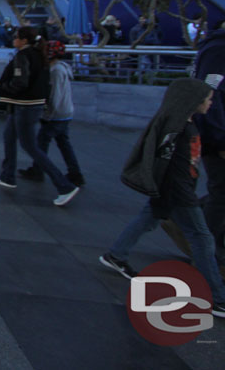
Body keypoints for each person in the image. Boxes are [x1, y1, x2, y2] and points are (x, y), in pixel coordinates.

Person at [99, 79, 225, 318]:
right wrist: (183, 194)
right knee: (202, 238)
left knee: (148, 219)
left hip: (173, 191)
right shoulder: (179, 130)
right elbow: (172, 168)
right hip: (178, 194)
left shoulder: (184, 127)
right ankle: (217, 297)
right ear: (192, 102)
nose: (211, 104)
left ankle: (116, 255)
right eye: (208, 99)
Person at [0, 26, 80, 206]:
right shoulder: (40, 55)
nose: (13, 39)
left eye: (16, 37)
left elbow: (20, 82)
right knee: (9, 137)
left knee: (30, 146)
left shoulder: (24, 56)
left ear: (23, 40)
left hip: (25, 105)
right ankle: (7, 175)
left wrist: (2, 89)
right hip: (27, 105)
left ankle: (64, 185)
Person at [19, 41, 84, 185]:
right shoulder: (62, 68)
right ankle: (75, 173)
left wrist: (47, 115)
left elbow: (54, 95)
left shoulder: (55, 71)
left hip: (56, 114)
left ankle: (38, 170)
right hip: (65, 112)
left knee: (41, 143)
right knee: (63, 144)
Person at [194, 19, 225, 259]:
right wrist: (219, 140)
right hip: (217, 137)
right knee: (221, 191)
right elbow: (209, 94)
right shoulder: (218, 50)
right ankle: (204, 252)